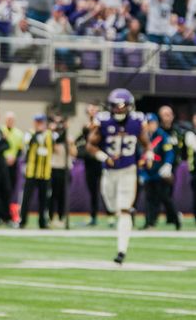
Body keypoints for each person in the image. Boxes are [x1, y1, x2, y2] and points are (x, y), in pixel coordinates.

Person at [87, 88, 153, 265]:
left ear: (130, 106)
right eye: (115, 106)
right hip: (109, 172)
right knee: (110, 207)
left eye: (122, 106)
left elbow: (147, 145)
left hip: (128, 171)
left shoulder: (137, 121)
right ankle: (120, 213)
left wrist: (149, 156)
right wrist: (104, 157)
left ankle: (121, 251)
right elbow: (90, 145)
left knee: (124, 210)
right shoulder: (103, 120)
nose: (118, 109)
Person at [141, 113, 181, 230]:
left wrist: (167, 165)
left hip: (160, 172)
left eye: (151, 123)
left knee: (165, 197)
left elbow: (169, 152)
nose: (149, 126)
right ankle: (149, 223)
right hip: (149, 173)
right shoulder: (143, 136)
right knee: (149, 198)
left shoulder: (162, 135)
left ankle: (176, 220)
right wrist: (141, 172)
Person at [19, 114, 53, 229]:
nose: (39, 124)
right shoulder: (30, 133)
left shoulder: (49, 134)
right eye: (37, 122)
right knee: (26, 198)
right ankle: (22, 221)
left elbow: (56, 143)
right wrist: (38, 132)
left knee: (44, 199)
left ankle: (42, 222)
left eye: (41, 122)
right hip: (31, 171)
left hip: (45, 173)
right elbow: (27, 145)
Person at [76, 102, 103, 226]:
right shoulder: (85, 128)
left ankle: (112, 216)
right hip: (90, 163)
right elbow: (80, 143)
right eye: (90, 109)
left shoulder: (103, 126)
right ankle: (93, 216)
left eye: (94, 109)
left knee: (106, 190)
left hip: (101, 161)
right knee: (92, 191)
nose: (92, 111)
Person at [47, 115, 75, 228]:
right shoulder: (51, 137)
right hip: (54, 168)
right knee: (53, 195)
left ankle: (61, 217)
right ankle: (50, 217)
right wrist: (52, 132)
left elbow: (74, 153)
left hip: (65, 168)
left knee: (63, 195)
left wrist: (70, 143)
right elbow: (55, 149)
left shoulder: (69, 137)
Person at [2, 112, 24, 224]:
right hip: (2, 163)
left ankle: (8, 215)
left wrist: (14, 158)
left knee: (10, 189)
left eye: (12, 119)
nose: (10, 121)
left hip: (13, 164)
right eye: (8, 119)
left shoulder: (19, 133)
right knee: (1, 190)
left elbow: (20, 149)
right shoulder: (1, 131)